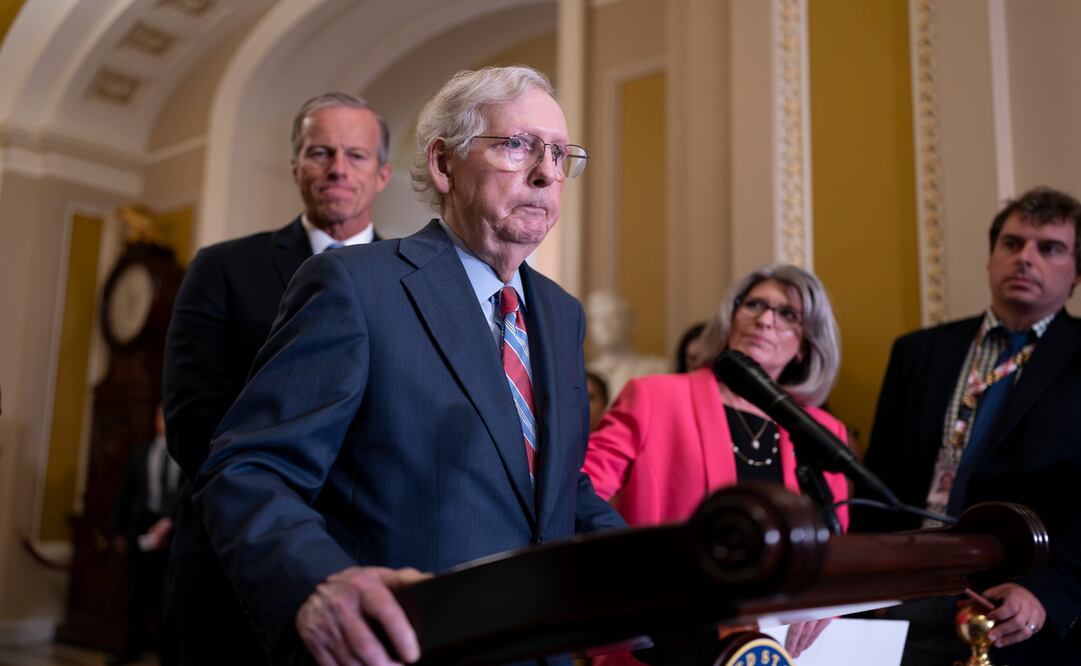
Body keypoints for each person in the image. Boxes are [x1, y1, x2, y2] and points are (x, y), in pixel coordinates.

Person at [192, 65, 626, 665]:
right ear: (445, 164)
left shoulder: (560, 314)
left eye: (559, 153)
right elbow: (249, 467)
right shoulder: (355, 286)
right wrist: (317, 583)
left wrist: (677, 587)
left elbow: (558, 487)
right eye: (519, 145)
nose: (547, 172)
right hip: (406, 646)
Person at [162, 92, 391, 664]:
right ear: (296, 168)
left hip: (374, 563)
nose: (338, 167)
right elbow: (194, 426)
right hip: (238, 570)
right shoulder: (222, 269)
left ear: (383, 173)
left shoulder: (414, 283)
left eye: (357, 155)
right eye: (321, 152)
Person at [854, 186, 1081, 664]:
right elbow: (876, 481)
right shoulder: (919, 352)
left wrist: (1047, 593)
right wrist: (856, 592)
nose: (1025, 259)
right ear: (990, 257)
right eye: (1012, 244)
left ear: (1076, 272)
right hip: (902, 595)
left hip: (1015, 602)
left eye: (1049, 248)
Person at [583, 264, 849, 662]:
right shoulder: (655, 398)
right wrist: (642, 574)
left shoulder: (824, 432)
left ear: (806, 343)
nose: (764, 319)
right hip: (662, 643)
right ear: (730, 318)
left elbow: (835, 547)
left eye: (786, 314)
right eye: (754, 304)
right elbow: (580, 491)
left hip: (777, 650)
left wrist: (832, 601)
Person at [111, 406, 181, 666]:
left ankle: (168, 655)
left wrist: (170, 522)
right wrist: (119, 531)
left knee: (170, 599)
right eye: (160, 415)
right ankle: (131, 647)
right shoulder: (141, 452)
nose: (164, 421)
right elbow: (125, 494)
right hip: (141, 531)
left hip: (174, 534)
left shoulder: (183, 452)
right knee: (137, 595)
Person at [586, 290, 669, 400]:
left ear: (630, 322)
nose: (604, 325)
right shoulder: (584, 373)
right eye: (597, 319)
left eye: (612, 317)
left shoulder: (657, 368)